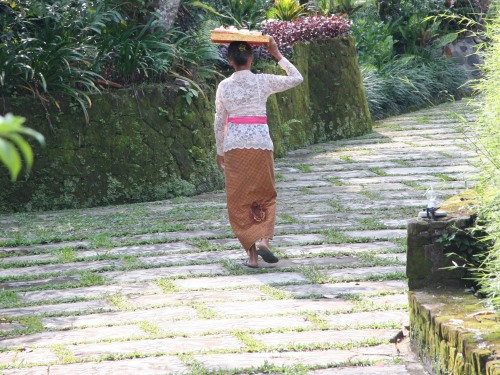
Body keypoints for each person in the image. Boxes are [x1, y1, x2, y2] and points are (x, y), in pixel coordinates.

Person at [213, 36, 303, 268]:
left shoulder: (224, 86)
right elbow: (296, 78)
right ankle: (263, 240)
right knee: (265, 194)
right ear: (251, 59)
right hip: (260, 145)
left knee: (239, 199)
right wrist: (276, 54)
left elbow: (219, 120)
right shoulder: (262, 81)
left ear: (230, 61)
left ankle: (252, 258)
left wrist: (219, 150)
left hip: (234, 147)